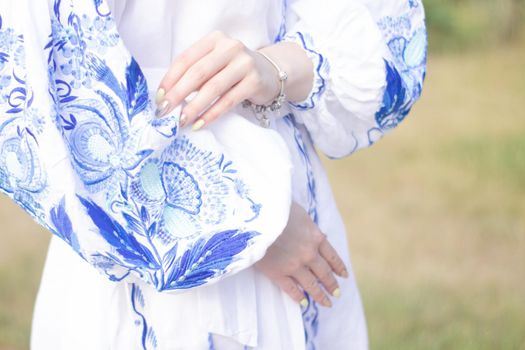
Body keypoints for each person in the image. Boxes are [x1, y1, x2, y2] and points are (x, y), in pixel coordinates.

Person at [0, 0, 427, 349]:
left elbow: (380, 33)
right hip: (149, 254)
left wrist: (275, 66)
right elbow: (51, 85)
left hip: (300, 213)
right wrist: (256, 224)